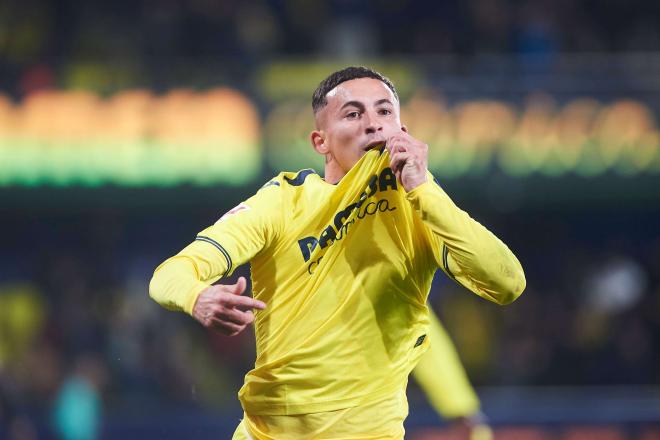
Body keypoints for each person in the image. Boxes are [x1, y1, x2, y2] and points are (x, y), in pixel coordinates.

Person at [149, 66, 525, 439]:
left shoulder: (420, 205)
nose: (373, 124)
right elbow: (170, 274)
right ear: (320, 141)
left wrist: (424, 188)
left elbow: (507, 283)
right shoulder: (283, 202)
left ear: (402, 131)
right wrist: (197, 296)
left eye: (384, 111)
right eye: (353, 113)